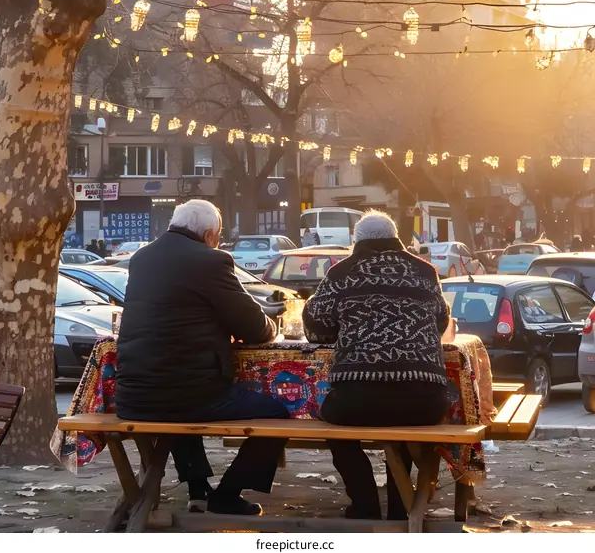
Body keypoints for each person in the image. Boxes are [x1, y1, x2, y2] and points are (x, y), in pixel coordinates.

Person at [115, 199, 289, 516]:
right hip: (185, 396)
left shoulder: (142, 258)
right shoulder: (211, 260)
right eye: (219, 235)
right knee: (276, 413)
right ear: (210, 234)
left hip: (133, 397)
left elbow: (179, 312)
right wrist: (271, 324)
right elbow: (255, 328)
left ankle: (198, 488)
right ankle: (227, 495)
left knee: (180, 386)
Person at [303, 210, 451, 520]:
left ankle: (364, 503)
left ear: (356, 241)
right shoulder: (425, 271)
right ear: (395, 237)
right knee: (402, 423)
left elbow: (315, 326)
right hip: (426, 400)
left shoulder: (341, 273)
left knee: (332, 420)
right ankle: (400, 505)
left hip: (357, 399)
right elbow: (440, 321)